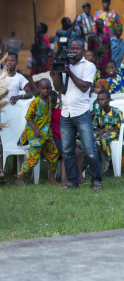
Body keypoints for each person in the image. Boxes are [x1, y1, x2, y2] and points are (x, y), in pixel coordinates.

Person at [52, 39, 102, 190]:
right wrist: (57, 70)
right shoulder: (65, 63)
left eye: (77, 49)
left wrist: (70, 72)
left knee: (90, 149)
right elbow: (57, 87)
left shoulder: (89, 66)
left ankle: (96, 180)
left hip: (82, 113)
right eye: (72, 48)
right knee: (67, 151)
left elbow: (85, 86)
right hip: (66, 113)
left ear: (83, 49)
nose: (74, 51)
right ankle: (72, 182)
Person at [0, 52, 33, 184]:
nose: (9, 63)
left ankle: (15, 170)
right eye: (7, 61)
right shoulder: (1, 77)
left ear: (16, 63)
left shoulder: (20, 78)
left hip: (13, 113)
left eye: (12, 61)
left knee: (14, 136)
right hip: (0, 112)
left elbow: (30, 93)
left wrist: (18, 97)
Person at [16, 79, 59, 186]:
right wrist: (35, 129)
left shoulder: (49, 101)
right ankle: (19, 178)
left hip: (47, 134)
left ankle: (51, 178)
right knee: (33, 159)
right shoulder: (34, 103)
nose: (46, 91)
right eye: (43, 88)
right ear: (38, 89)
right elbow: (28, 117)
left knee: (53, 154)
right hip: (36, 135)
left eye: (48, 88)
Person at [91, 90, 122, 172]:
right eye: (99, 100)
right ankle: (96, 164)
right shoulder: (98, 113)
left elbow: (121, 129)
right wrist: (100, 130)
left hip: (116, 134)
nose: (100, 102)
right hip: (103, 133)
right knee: (90, 138)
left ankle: (110, 164)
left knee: (104, 139)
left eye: (103, 99)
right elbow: (95, 127)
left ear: (109, 100)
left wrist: (106, 131)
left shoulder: (116, 112)